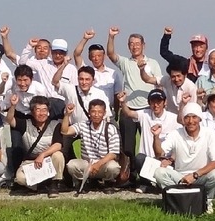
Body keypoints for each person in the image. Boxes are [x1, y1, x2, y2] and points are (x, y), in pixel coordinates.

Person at [151, 103, 215, 213]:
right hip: (180, 177)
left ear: (200, 119)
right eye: (187, 117)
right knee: (159, 172)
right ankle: (177, 198)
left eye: (194, 117)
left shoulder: (210, 134)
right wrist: (156, 136)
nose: (191, 121)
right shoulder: (175, 134)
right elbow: (159, 154)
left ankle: (206, 201)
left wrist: (195, 175)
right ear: (183, 120)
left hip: (201, 176)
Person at [107, 26, 163, 171]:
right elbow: (111, 54)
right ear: (128, 46)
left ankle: (149, 173)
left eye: (137, 44)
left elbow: (159, 85)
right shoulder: (126, 62)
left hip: (148, 109)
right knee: (128, 147)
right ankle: (130, 175)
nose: (135, 46)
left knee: (150, 143)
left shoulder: (153, 63)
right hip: (129, 108)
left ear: (143, 45)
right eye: (131, 44)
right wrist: (111, 36)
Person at [120, 88, 180, 186]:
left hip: (167, 161)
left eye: (159, 102)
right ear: (149, 103)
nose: (156, 105)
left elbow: (179, 142)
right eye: (153, 102)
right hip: (148, 161)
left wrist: (171, 160)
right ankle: (146, 183)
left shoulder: (173, 118)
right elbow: (128, 113)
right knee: (139, 158)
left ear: (165, 102)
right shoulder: (145, 114)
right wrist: (123, 102)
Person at [7, 96, 65, 197]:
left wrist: (43, 155)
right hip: (31, 161)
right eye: (38, 110)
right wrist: (13, 106)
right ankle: (40, 185)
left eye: (44, 110)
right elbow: (10, 120)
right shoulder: (25, 123)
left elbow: (58, 145)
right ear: (32, 112)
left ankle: (54, 184)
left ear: (48, 111)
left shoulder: (55, 125)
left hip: (48, 160)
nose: (41, 113)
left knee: (58, 155)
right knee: (20, 178)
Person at [62, 98, 123, 190]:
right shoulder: (83, 125)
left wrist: (98, 164)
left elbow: (113, 153)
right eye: (93, 112)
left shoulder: (111, 128)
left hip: (104, 164)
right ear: (89, 113)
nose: (96, 115)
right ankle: (84, 181)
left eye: (100, 112)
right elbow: (65, 131)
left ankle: (108, 182)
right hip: (87, 164)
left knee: (113, 167)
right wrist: (67, 115)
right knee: (71, 165)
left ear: (104, 113)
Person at [72, 29, 124, 104]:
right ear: (89, 57)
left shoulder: (113, 73)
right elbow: (76, 54)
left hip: (108, 109)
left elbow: (117, 95)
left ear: (104, 56)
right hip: (90, 108)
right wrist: (85, 39)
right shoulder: (86, 72)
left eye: (99, 56)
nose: (96, 58)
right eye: (93, 56)